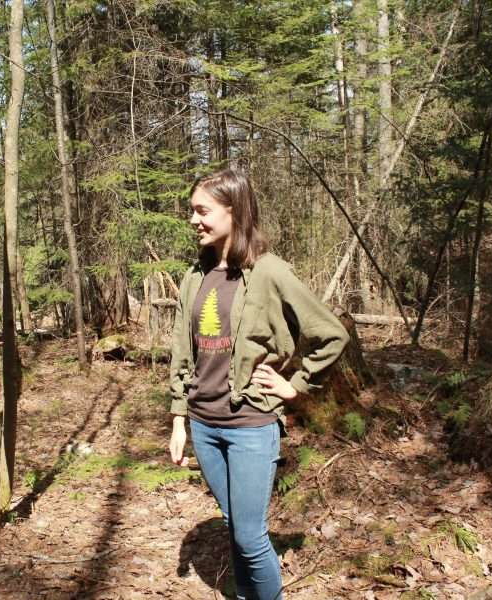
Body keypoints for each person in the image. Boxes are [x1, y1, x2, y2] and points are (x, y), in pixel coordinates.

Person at [168, 168, 351, 600]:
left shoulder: (270, 272)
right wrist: (179, 418)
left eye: (202, 211)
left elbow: (331, 333)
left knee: (250, 537)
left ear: (234, 211)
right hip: (205, 426)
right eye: (192, 211)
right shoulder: (196, 277)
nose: (193, 220)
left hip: (250, 424)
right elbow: (182, 351)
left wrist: (297, 384)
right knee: (236, 526)